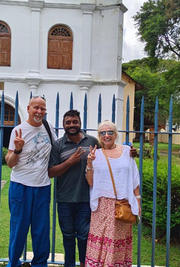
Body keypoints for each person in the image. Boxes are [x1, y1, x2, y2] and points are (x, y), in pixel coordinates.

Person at [5, 96, 57, 267]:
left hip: (42, 186)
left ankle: (40, 264)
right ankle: (13, 263)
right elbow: (10, 163)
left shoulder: (49, 128)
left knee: (41, 230)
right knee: (18, 228)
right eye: (36, 108)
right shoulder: (18, 130)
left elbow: (58, 150)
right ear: (28, 108)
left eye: (42, 109)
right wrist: (18, 150)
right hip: (20, 186)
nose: (39, 111)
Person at [84, 120, 140, 267]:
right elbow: (90, 182)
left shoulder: (127, 151)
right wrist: (89, 163)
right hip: (102, 206)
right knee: (100, 241)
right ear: (99, 136)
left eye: (110, 132)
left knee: (117, 241)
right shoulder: (96, 154)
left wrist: (138, 202)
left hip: (122, 204)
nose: (106, 135)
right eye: (103, 133)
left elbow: (135, 179)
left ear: (115, 135)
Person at [48, 110, 100, 267]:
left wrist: (129, 152)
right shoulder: (58, 145)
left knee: (84, 236)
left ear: (80, 123)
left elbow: (109, 153)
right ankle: (69, 264)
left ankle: (85, 263)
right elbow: (51, 172)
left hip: (86, 198)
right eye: (68, 122)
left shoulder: (92, 141)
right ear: (64, 125)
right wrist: (69, 162)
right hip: (65, 198)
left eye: (75, 122)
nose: (72, 125)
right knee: (68, 235)